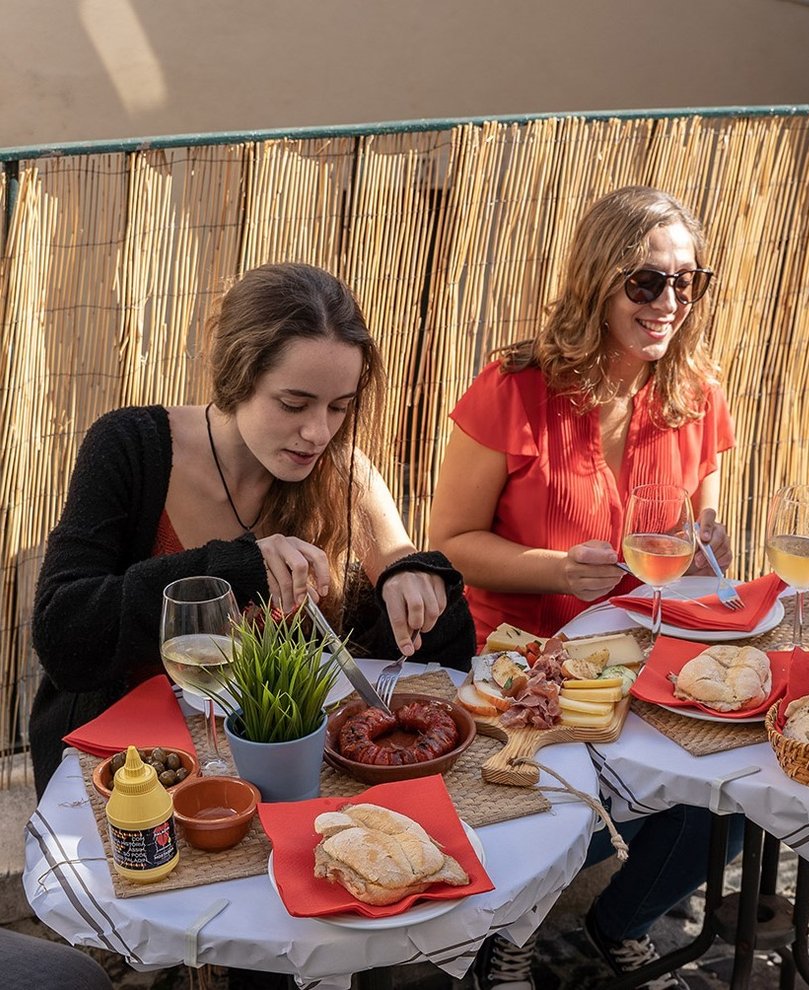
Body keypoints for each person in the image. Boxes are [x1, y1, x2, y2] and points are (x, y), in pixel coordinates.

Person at [429, 186, 739, 990]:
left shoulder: (696, 391)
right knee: (562, 789)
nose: (669, 302)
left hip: (650, 650)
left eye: (687, 282)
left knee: (741, 782)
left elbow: (703, 524)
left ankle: (623, 917)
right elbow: (453, 544)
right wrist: (558, 570)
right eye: (646, 282)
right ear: (598, 280)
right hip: (525, 658)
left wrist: (710, 543)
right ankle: (513, 930)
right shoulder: (514, 386)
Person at [30, 262, 476, 800]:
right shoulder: (130, 448)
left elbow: (429, 644)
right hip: (127, 770)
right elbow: (64, 630)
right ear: (238, 376)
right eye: (293, 404)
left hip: (279, 760)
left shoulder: (342, 473)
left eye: (340, 407)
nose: (318, 433)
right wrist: (236, 567)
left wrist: (419, 585)